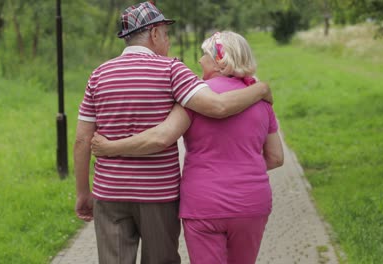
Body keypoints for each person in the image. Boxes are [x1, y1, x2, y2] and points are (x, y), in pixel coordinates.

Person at [74, 2, 272, 263]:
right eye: (166, 34)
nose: (167, 42)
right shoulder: (171, 70)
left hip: (109, 192)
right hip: (159, 193)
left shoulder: (99, 74)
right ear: (154, 33)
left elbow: (81, 140)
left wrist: (82, 193)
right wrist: (260, 89)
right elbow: (218, 106)